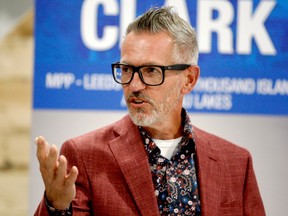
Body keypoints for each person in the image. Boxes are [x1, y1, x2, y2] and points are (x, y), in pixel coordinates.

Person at [34, 6, 265, 216]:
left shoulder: (235, 163)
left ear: (189, 79)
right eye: (126, 69)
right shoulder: (84, 156)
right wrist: (57, 205)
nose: (134, 85)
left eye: (151, 70)